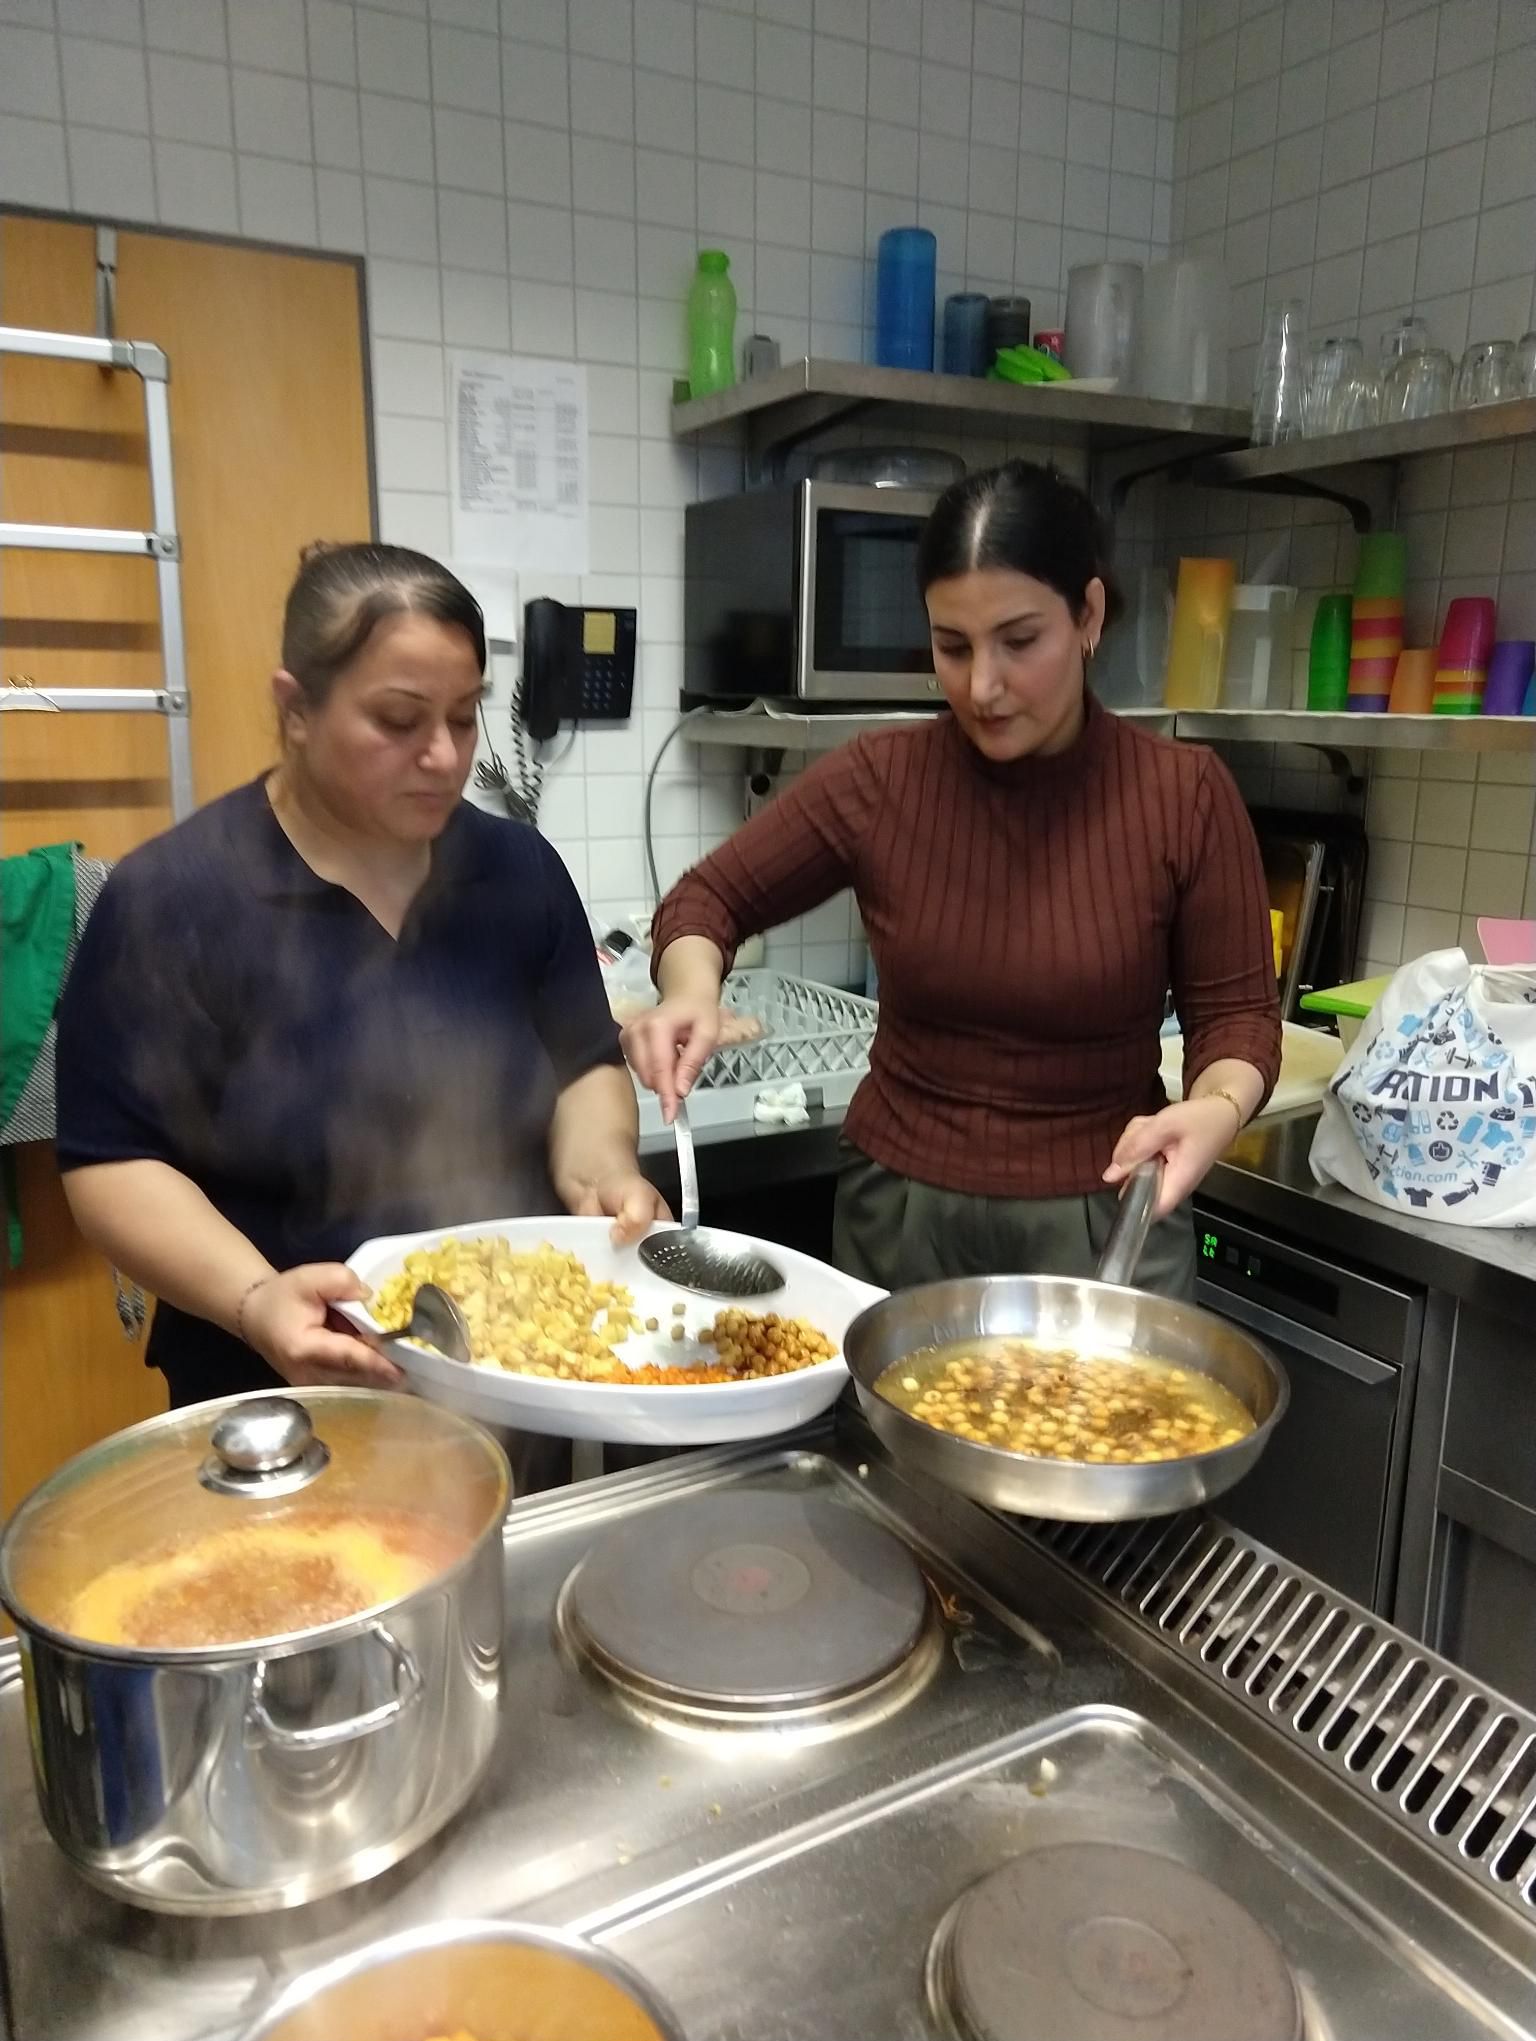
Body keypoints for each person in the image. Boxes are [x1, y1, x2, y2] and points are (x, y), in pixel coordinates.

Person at [624, 461, 1280, 1300]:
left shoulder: (1184, 796)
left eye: (1019, 642)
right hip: (900, 1219)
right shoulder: (881, 780)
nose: (982, 686)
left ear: (1089, 614)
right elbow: (704, 902)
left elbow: (1238, 1022)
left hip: (1106, 1214)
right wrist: (690, 989)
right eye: (952, 645)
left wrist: (1216, 1108)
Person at [56, 543, 666, 1435]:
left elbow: (584, 1066)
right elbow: (111, 1164)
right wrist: (257, 1297)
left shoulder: (518, 870)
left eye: (465, 719)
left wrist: (602, 1172)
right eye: (398, 719)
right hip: (275, 1393)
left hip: (509, 1372)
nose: (444, 755)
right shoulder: (172, 899)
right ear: (295, 709)